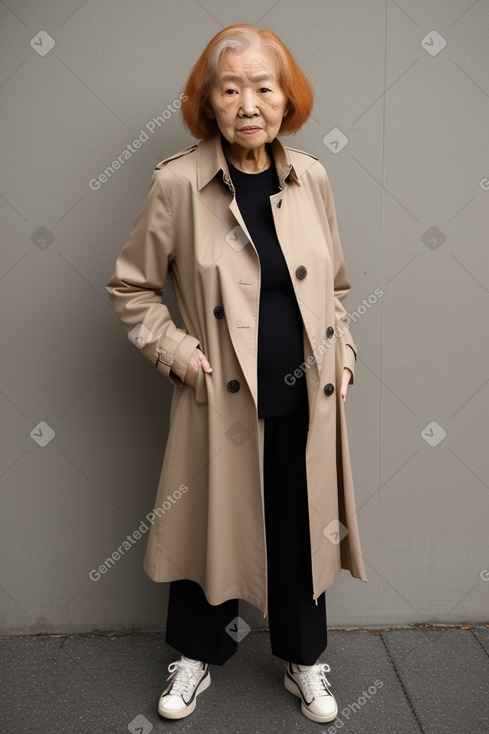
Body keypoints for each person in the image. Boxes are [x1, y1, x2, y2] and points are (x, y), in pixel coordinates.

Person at [106, 23, 367, 725]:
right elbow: (130, 291)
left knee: (300, 530)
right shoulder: (177, 183)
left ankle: (303, 662)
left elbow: (336, 290)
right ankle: (194, 658)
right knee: (208, 530)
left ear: (287, 98)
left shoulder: (310, 175)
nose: (249, 103)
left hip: (307, 401)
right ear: (208, 103)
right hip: (218, 399)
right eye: (231, 88)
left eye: (263, 86)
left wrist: (341, 357)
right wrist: (177, 352)